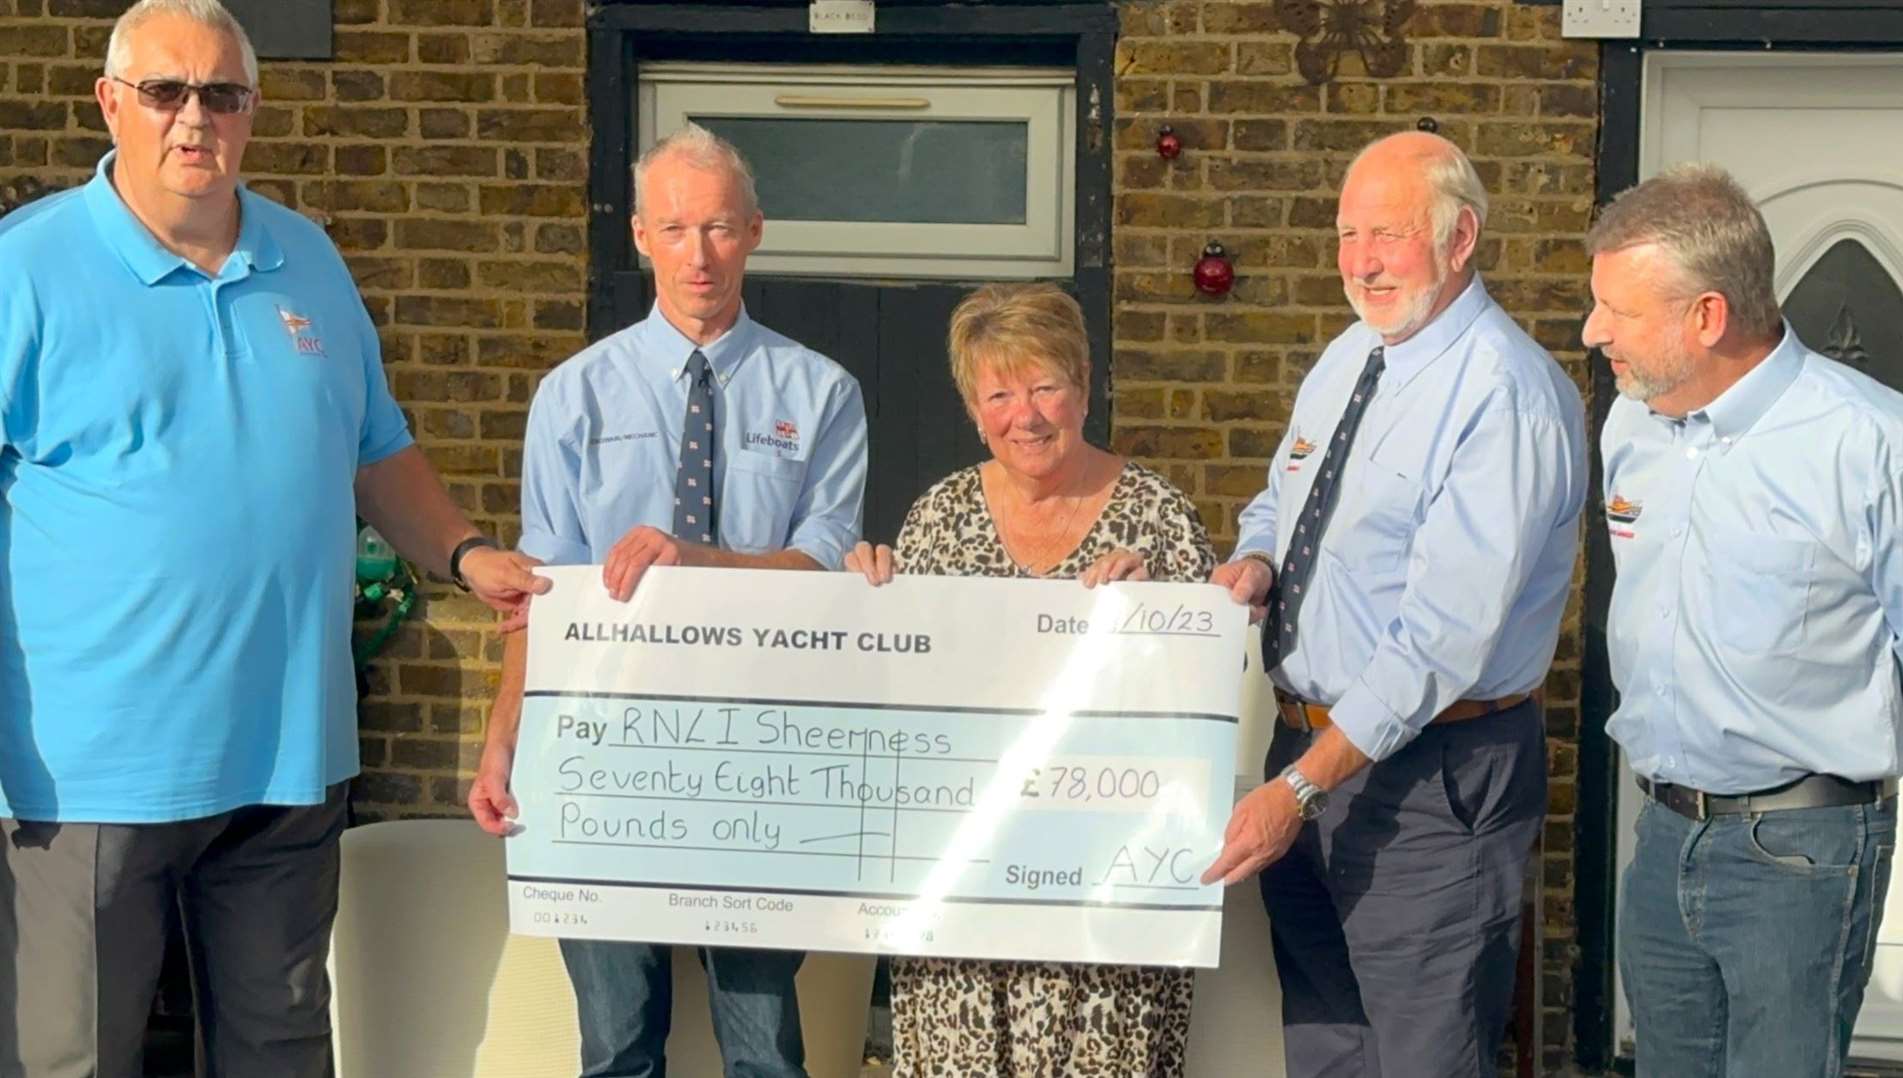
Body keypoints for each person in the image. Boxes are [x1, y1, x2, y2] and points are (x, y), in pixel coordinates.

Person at [0, 2, 548, 1075]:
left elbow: (373, 449)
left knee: (281, 1050)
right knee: (73, 1055)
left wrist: (464, 552)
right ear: (110, 102)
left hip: (287, 753)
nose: (193, 118)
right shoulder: (27, 270)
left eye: (222, 94)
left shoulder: (308, 260)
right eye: (165, 91)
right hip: (90, 766)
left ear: (252, 112)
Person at [467, 124, 869, 1078]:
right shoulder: (572, 398)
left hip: (766, 755)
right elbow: (543, 595)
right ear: (640, 236)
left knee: (766, 1049)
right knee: (613, 1048)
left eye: (721, 228)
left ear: (756, 233)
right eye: (677, 228)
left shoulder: (822, 393)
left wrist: (693, 560)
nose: (700, 254)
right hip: (601, 755)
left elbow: (821, 570)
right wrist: (501, 740)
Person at [1201, 131, 1587, 1078]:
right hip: (1312, 755)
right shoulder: (1348, 356)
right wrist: (1255, 558)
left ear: (1462, 241)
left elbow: (1440, 640)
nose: (1361, 262)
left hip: (1433, 777)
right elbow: (1282, 498)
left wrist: (1297, 789)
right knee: (1329, 1047)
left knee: (1426, 1055)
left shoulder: (1506, 393)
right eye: (1346, 234)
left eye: (1388, 235)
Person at [1590, 164, 1903, 1076]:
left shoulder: (1874, 447)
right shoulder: (1632, 427)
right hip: (1660, 837)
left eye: (1618, 309)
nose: (1593, 331)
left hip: (1802, 853)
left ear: (1707, 316)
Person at [845, 281, 1215, 1076]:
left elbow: (1208, 705)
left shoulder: (1160, 518)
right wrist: (861, 607)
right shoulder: (934, 520)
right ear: (974, 408)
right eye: (1001, 393)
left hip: (1105, 907)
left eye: (1046, 386)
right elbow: (892, 704)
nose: (1028, 414)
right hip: (963, 898)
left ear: (1083, 388)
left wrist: (1161, 620)